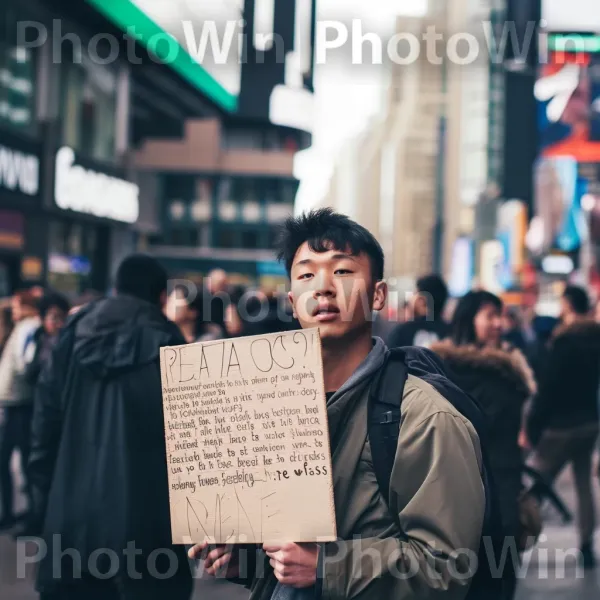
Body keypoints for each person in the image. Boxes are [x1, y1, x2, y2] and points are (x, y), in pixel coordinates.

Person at [189, 209, 486, 599]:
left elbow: (448, 566)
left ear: (378, 294)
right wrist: (248, 559)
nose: (323, 288)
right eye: (307, 274)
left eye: (343, 272)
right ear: (293, 302)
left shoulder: (425, 417)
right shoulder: (274, 408)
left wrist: (327, 565)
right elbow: (295, 556)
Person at [28, 255, 193, 599]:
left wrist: (44, 498)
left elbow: (44, 423)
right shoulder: (170, 340)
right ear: (161, 296)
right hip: (147, 526)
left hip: (71, 520)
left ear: (115, 288)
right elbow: (188, 444)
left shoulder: (72, 334)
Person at [431, 291, 537, 599]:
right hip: (462, 490)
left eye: (500, 316)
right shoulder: (445, 372)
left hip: (501, 487)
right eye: (490, 316)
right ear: (467, 318)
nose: (499, 324)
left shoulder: (506, 369)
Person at [525, 285, 600, 569]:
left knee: (538, 482)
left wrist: (533, 427)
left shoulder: (564, 341)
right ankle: (586, 545)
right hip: (589, 423)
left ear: (568, 305)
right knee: (584, 485)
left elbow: (549, 388)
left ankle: (513, 536)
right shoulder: (596, 339)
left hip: (560, 426)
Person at [0, 290, 40, 530]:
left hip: (18, 403)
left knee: (17, 460)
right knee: (20, 460)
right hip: (15, 402)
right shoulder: (23, 327)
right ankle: (18, 513)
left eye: (17, 306)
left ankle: (19, 515)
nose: (13, 311)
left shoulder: (28, 328)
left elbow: (25, 364)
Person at [387, 274, 450, 348]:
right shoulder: (451, 334)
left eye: (414, 293)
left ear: (421, 301)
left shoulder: (402, 332)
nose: (410, 298)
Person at [23, 293, 70, 388]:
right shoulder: (37, 339)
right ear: (42, 319)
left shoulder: (68, 341)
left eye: (64, 318)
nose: (60, 324)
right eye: (55, 318)